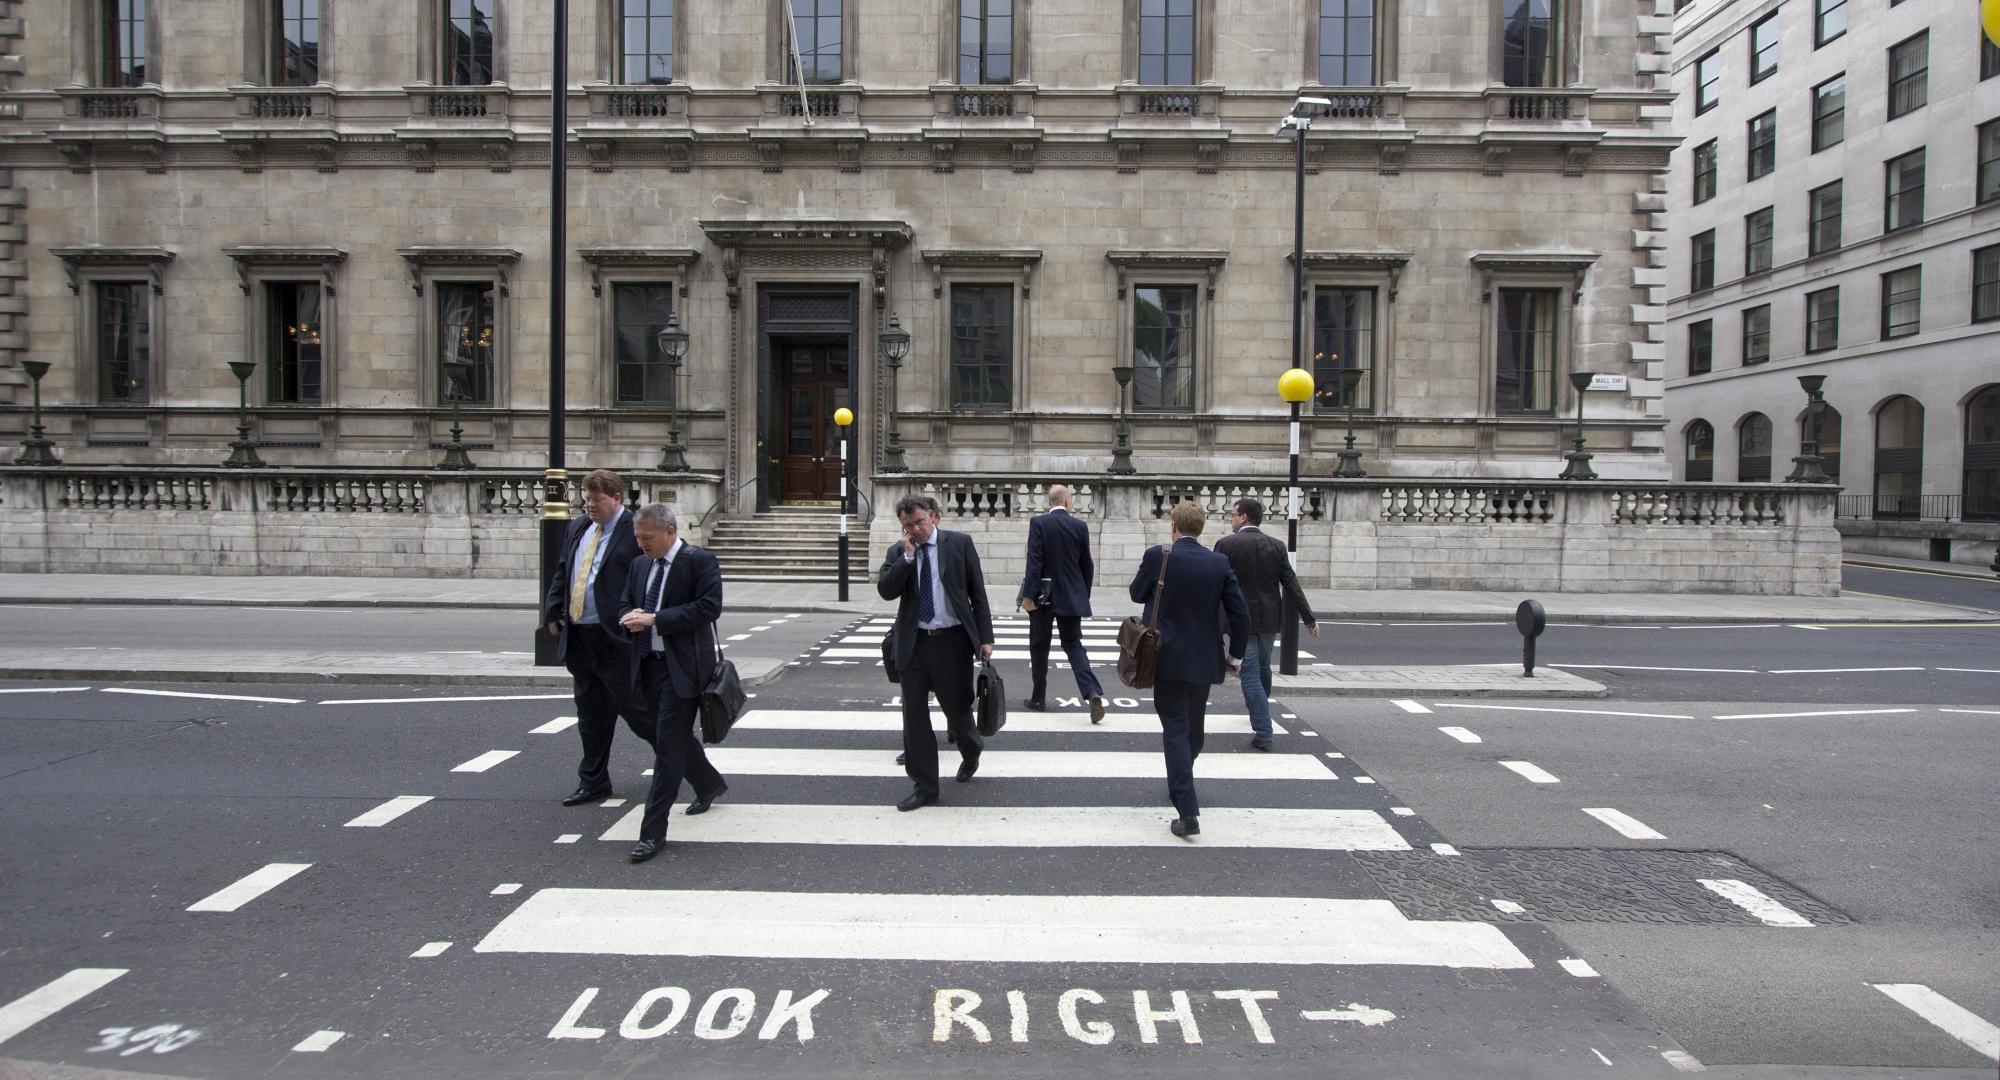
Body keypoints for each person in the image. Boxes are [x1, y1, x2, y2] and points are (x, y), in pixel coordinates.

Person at [615, 503, 728, 864]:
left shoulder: (699, 561)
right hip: (646, 665)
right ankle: (709, 783)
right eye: (637, 538)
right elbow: (625, 602)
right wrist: (629, 616)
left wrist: (656, 619)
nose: (641, 544)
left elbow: (709, 607)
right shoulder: (639, 565)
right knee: (672, 739)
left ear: (669, 531)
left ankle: (652, 833)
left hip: (683, 669)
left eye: (647, 538)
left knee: (667, 749)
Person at [1129, 500, 1250, 838]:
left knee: (1177, 732)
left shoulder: (1159, 556)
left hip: (1165, 657)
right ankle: (1183, 781)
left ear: (1173, 527)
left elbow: (1136, 592)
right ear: (1201, 529)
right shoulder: (1218, 563)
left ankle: (1187, 808)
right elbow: (1240, 615)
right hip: (1204, 659)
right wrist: (1235, 658)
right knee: (1192, 730)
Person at [878, 493, 995, 811]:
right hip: (914, 644)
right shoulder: (899, 552)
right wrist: (905, 558)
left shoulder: (959, 544)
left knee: (957, 712)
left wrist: (985, 637)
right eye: (908, 526)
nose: (915, 530)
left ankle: (971, 750)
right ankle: (925, 786)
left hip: (952, 642)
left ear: (934, 517)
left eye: (920, 522)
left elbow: (977, 592)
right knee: (914, 718)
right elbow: (886, 590)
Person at [540, 469, 650, 807]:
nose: (590, 505)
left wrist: (644, 616)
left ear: (616, 498)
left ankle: (691, 770)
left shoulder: (636, 529)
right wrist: (554, 609)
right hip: (581, 637)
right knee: (590, 715)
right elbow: (564, 570)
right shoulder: (578, 527)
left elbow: (656, 572)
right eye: (586, 499)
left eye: (597, 500)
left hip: (615, 638)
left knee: (640, 715)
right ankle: (593, 782)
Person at [1214, 497, 1320, 751]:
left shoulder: (1227, 545)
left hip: (1242, 620)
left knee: (1249, 674)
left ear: (1244, 518)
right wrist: (1309, 617)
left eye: (1233, 515)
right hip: (1270, 619)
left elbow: (1213, 581)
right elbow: (1291, 583)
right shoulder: (1276, 546)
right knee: (1263, 667)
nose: (1231, 519)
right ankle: (1258, 709)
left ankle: (1263, 731)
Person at [1018, 484, 1106, 722]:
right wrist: (1082, 594)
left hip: (1043, 597)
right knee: (1074, 645)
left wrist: (1028, 596)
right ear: (1068, 502)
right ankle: (1092, 691)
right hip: (1071, 596)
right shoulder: (1080, 526)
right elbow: (1087, 565)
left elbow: (1034, 562)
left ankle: (1038, 697)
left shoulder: (1039, 524)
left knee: (1039, 646)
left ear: (1050, 502)